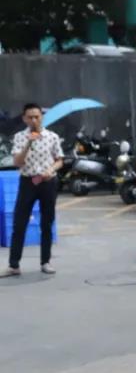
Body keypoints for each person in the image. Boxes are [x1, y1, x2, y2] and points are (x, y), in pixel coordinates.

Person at [2, 103, 64, 277]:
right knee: (19, 223)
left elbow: (60, 160)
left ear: (41, 117)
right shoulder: (19, 137)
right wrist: (29, 142)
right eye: (30, 117)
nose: (34, 120)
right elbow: (17, 162)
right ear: (24, 119)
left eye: (37, 117)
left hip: (47, 182)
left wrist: (51, 169)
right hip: (28, 182)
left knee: (47, 222)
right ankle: (14, 265)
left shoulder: (52, 136)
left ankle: (46, 261)